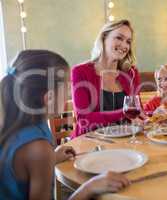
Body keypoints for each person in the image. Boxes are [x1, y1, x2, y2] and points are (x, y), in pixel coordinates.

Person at [0, 50, 130, 199]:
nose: (70, 93)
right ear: (49, 97)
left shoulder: (17, 127)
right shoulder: (38, 148)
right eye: (67, 87)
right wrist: (89, 188)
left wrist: (52, 158)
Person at [71, 19, 141, 138]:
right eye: (119, 38)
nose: (124, 45)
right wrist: (124, 113)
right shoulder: (80, 72)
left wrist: (151, 114)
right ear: (104, 38)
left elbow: (138, 113)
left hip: (124, 140)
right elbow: (84, 119)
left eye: (128, 41)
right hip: (89, 141)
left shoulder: (131, 73)